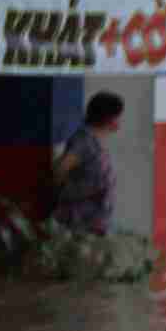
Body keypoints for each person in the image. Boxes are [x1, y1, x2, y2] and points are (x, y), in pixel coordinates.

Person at [50, 92, 126, 235]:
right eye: (118, 116)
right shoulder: (84, 141)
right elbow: (59, 171)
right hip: (79, 227)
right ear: (108, 118)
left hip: (94, 225)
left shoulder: (95, 142)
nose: (120, 120)